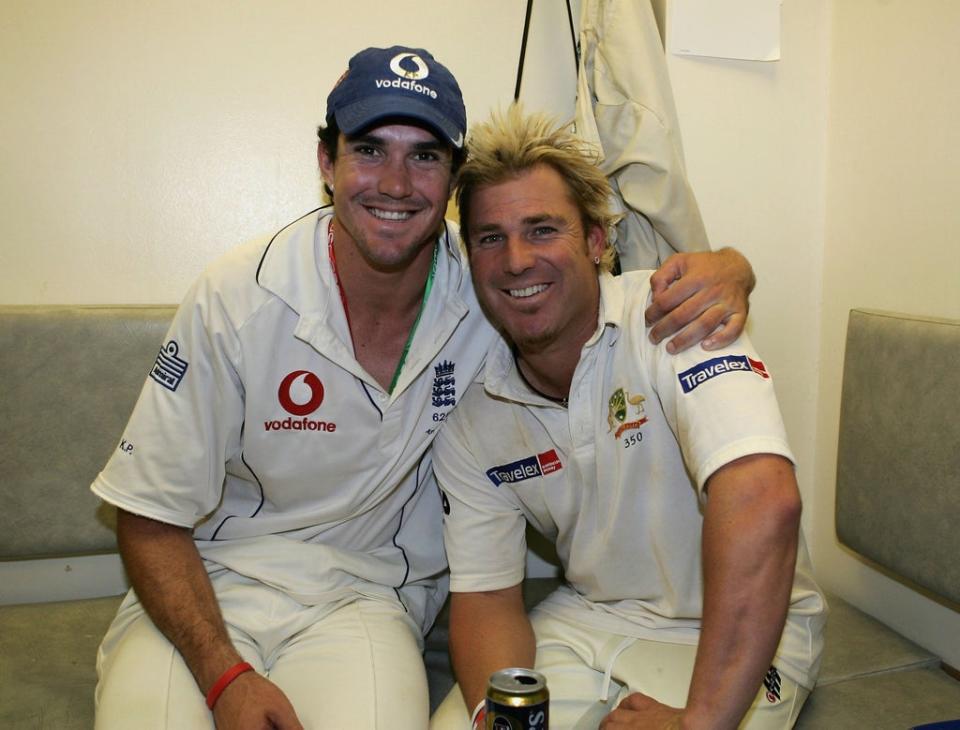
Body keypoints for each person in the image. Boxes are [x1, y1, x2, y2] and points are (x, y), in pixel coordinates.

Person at [90, 46, 756, 729]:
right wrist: (226, 675)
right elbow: (147, 514)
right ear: (328, 163)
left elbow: (600, 292)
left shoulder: (496, 287)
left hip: (365, 600)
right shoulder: (239, 296)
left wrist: (733, 268)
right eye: (371, 150)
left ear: (454, 181)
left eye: (426, 156)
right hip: (214, 581)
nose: (397, 183)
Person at [430, 107, 827, 730]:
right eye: (489, 237)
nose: (514, 260)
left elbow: (763, 499)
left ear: (595, 241)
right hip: (589, 616)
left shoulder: (678, 317)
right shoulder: (473, 415)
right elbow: (487, 598)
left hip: (736, 628)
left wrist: (700, 722)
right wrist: (495, 717)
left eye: (541, 229)